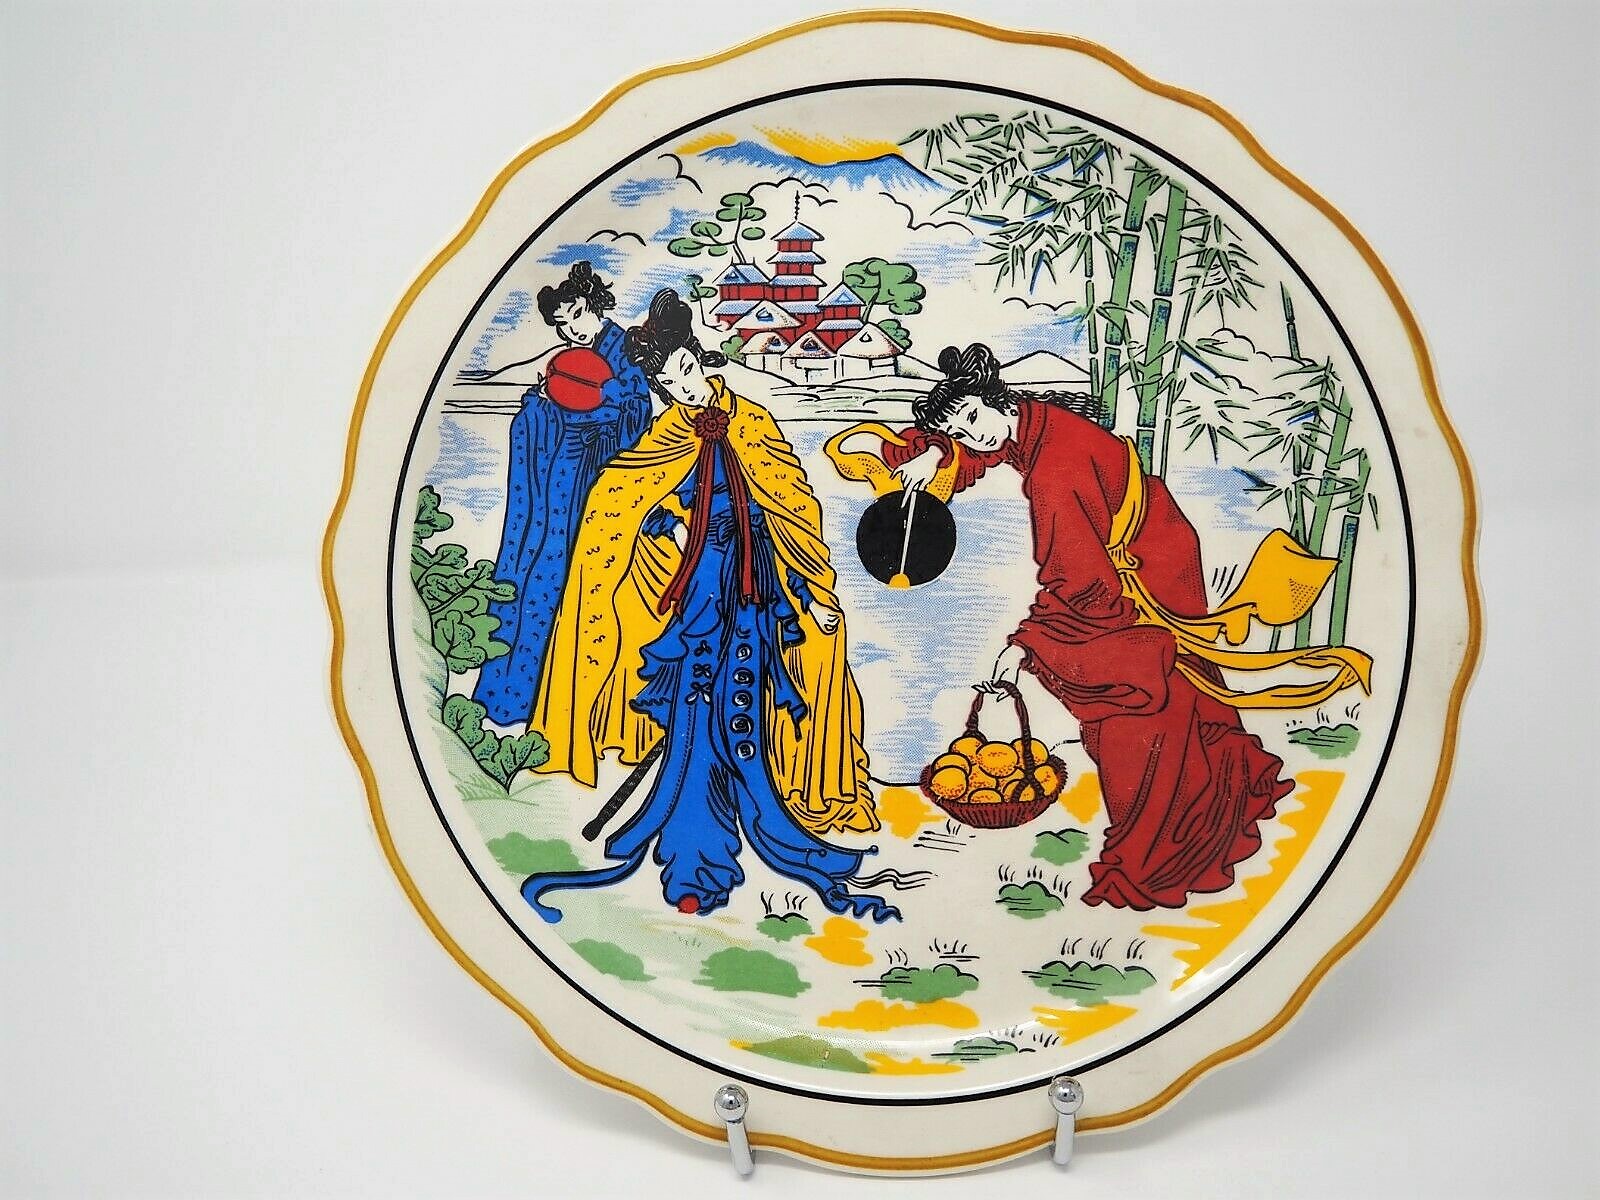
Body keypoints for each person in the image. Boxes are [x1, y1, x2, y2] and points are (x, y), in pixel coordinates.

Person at [884, 344, 1371, 910]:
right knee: (1175, 683)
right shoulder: (1028, 422)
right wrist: (935, 453)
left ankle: (1159, 856)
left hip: (1142, 568)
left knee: (1130, 709)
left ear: (997, 400)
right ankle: (1225, 787)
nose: (974, 436)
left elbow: (1079, 580)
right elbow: (981, 451)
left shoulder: (1056, 470)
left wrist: (1027, 645)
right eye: (960, 430)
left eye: (973, 418)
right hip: (1156, 542)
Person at [522, 289, 914, 923]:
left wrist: (809, 590)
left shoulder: (752, 422)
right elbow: (627, 496)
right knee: (697, 694)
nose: (683, 388)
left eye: (685, 370)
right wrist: (669, 523)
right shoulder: (669, 431)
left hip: (758, 580)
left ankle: (773, 810)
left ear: (699, 360)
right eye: (668, 384)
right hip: (700, 584)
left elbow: (789, 504)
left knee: (769, 674)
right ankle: (694, 850)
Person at [472, 261, 652, 726]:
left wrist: (600, 401)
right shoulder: (572, 357)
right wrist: (542, 405)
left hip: (591, 479)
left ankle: (544, 705)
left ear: (595, 304)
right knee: (526, 566)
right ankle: (502, 697)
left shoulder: (625, 350)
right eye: (562, 324)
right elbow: (558, 401)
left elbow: (637, 416)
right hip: (555, 471)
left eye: (577, 315)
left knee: (556, 580)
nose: (572, 330)